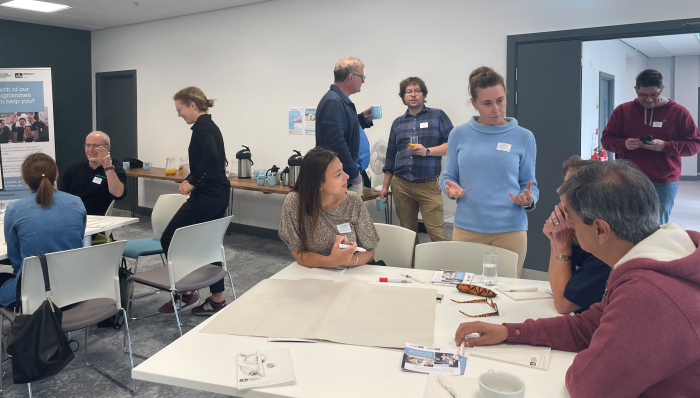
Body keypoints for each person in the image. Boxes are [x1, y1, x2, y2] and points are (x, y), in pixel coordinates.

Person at [454, 160, 700, 397]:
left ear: (601, 230)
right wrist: (510, 332)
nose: (566, 224)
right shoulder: (667, 252)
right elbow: (590, 324)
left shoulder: (648, 292)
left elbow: (588, 386)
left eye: (570, 217)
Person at [440, 67, 538, 275]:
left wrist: (529, 200)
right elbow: (448, 177)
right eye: (487, 103)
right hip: (467, 229)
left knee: (504, 296)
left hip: (510, 231)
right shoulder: (459, 134)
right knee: (463, 290)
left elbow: (530, 184)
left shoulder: (524, 137)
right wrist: (450, 188)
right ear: (474, 103)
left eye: (500, 100)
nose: (497, 109)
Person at [158, 86, 230, 316]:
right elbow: (217, 159)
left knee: (170, 237)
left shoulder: (201, 128)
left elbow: (212, 156)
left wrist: (193, 181)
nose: (179, 114)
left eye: (180, 109)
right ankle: (216, 298)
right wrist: (193, 179)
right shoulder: (210, 124)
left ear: (192, 105)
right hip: (217, 193)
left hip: (208, 195)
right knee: (209, 244)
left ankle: (186, 292)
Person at [601, 69, 700, 224]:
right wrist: (624, 144)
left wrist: (665, 146)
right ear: (636, 90)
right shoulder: (623, 111)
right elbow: (606, 140)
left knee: (657, 226)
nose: (649, 100)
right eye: (643, 95)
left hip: (664, 182)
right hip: (628, 180)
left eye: (654, 94)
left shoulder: (679, 112)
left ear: (662, 89)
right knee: (628, 225)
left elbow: (694, 145)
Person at [0, 153, 86, 308]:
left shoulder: (14, 210)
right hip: (74, 290)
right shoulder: (77, 203)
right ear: (56, 175)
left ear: (24, 180)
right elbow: (77, 241)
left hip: (34, 293)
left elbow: (16, 258)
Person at [279, 147, 379, 268]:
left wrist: (348, 260)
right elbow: (298, 252)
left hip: (353, 272)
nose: (347, 176)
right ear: (318, 184)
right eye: (338, 174)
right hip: (316, 273)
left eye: (342, 170)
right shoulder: (295, 202)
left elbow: (369, 251)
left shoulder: (353, 201)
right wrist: (332, 261)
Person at [380, 77, 452, 242]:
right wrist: (385, 187)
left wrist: (427, 151)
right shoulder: (397, 123)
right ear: (403, 96)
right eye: (408, 91)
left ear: (424, 94)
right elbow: (390, 155)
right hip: (401, 185)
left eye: (417, 91)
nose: (413, 95)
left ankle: (445, 268)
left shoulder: (438, 116)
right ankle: (411, 268)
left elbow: (454, 145)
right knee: (408, 235)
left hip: (428, 184)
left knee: (438, 234)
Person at [544, 156, 609, 314]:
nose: (559, 190)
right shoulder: (573, 231)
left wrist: (562, 245)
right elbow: (555, 286)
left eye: (568, 185)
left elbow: (563, 305)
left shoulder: (604, 244)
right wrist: (556, 240)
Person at [316, 57, 374, 195]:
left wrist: (362, 119)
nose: (363, 81)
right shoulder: (334, 102)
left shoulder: (339, 100)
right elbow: (336, 143)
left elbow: (344, 130)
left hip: (345, 177)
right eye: (362, 77)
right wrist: (354, 175)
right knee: (343, 217)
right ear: (351, 77)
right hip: (343, 180)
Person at [59, 131, 127, 216]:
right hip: (73, 214)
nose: (90, 150)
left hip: (96, 219)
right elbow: (62, 195)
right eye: (88, 145)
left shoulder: (115, 169)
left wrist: (107, 166)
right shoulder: (74, 168)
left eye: (96, 146)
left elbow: (118, 194)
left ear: (108, 148)